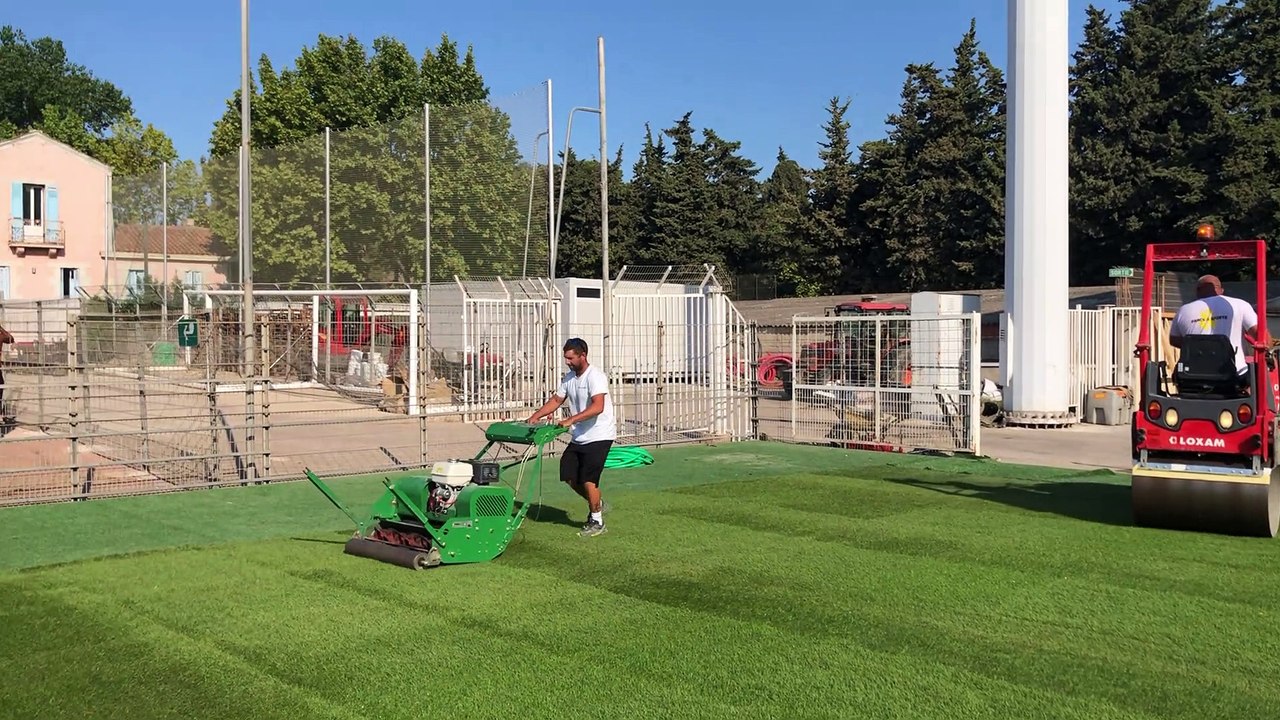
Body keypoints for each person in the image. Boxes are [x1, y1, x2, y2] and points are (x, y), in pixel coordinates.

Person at [527, 337, 616, 537]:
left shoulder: (595, 377)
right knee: (568, 475)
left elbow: (598, 407)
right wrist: (535, 416)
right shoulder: (569, 378)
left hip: (600, 435)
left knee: (588, 479)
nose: (567, 362)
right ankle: (597, 503)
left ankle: (597, 521)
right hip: (580, 436)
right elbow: (557, 399)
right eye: (565, 358)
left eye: (570, 358)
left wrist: (571, 420)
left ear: (582, 356)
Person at [1169, 274, 1259, 383]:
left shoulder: (1183, 310)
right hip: (1233, 376)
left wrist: (1200, 346)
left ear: (1198, 290)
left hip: (1193, 376)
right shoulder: (1240, 305)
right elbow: (1260, 334)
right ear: (1221, 290)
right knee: (1255, 382)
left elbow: (1173, 340)